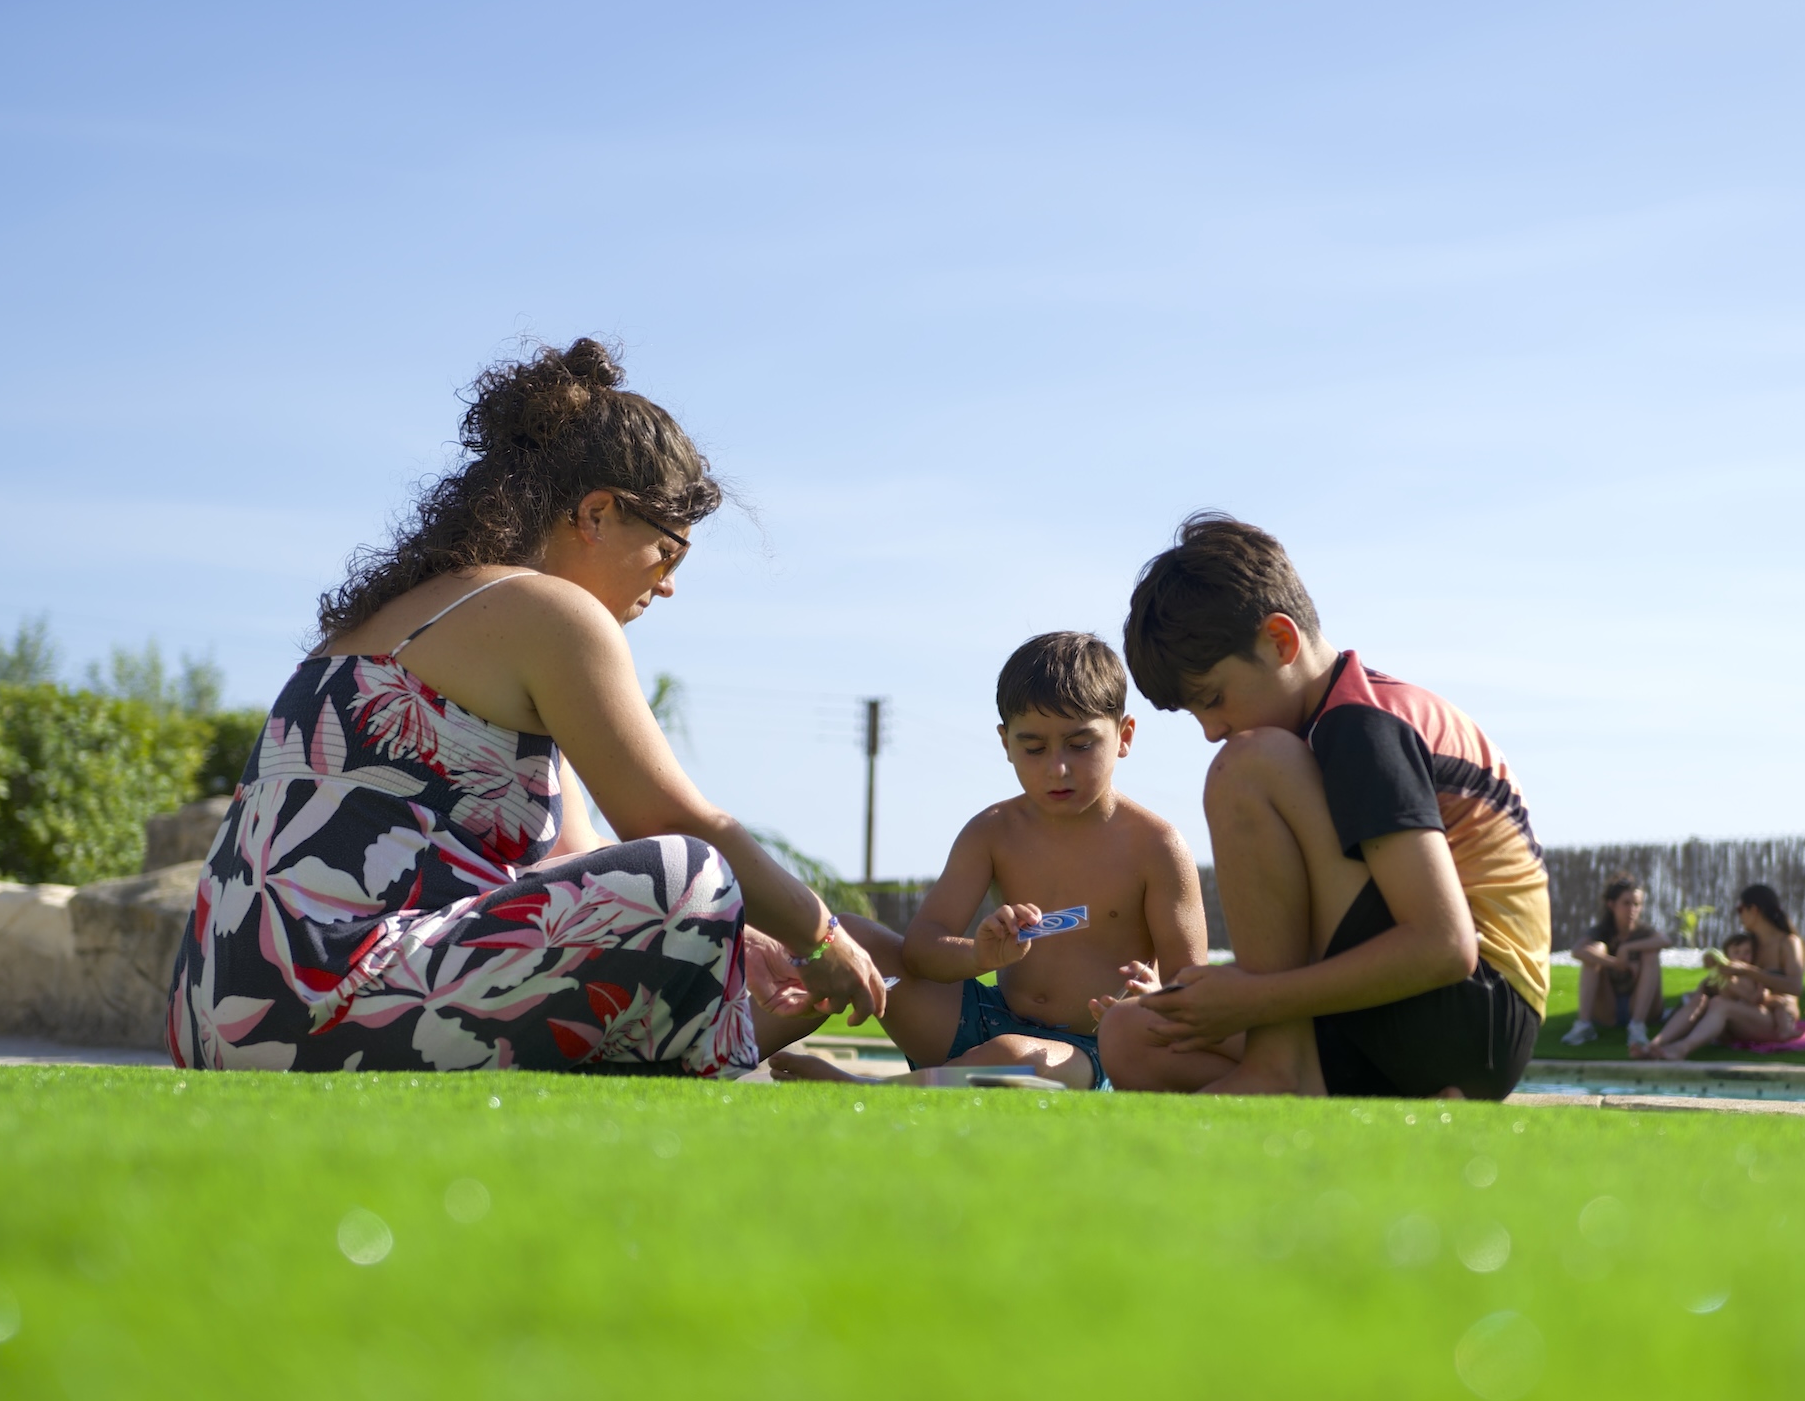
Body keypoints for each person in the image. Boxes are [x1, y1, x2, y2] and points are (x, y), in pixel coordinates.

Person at [167, 338, 883, 1075]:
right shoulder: (554, 614)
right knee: (691, 874)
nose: (667, 585)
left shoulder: (413, 612)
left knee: (694, 898)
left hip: (216, 1012)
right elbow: (672, 824)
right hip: (319, 997)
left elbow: (585, 859)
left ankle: (758, 1058)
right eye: (669, 552)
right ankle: (753, 1068)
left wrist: (741, 938)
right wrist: (823, 936)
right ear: (597, 512)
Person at [1097, 515, 1550, 1101]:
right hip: (1408, 1019)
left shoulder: (1359, 726)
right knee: (1134, 1034)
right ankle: (1337, 1090)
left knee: (1246, 766)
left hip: (1471, 1023)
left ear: (1280, 642)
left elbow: (1445, 947)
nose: (1211, 731)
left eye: (1213, 700)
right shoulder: (1327, 730)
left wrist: (1254, 997)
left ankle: (1280, 1070)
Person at [772, 632, 1206, 1090]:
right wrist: (979, 954)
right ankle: (724, 1051)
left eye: (1080, 745)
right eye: (1034, 748)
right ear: (1005, 743)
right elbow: (920, 952)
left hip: (1093, 1049)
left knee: (1014, 1057)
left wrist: (1149, 1005)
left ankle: (871, 1091)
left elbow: (1193, 989)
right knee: (848, 936)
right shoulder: (993, 831)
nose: (1057, 768)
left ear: (1124, 735)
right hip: (983, 1020)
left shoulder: (1157, 846)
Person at [1635, 930, 1798, 1059]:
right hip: (1727, 1026)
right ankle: (1654, 1045)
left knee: (1719, 1003)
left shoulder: (1752, 975)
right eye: (1737, 952)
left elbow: (1760, 999)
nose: (1742, 956)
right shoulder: (1722, 975)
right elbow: (1703, 989)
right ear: (1727, 955)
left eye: (1747, 952)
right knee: (1699, 999)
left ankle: (1682, 1048)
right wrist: (1709, 984)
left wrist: (1734, 985)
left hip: (1754, 1020)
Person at [1562, 874, 1669, 1051]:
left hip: (1642, 1007)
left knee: (1651, 953)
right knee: (1595, 950)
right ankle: (1583, 1025)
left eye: (1637, 904)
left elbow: (1665, 941)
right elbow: (1577, 950)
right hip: (1608, 1008)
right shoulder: (1602, 930)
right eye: (1626, 903)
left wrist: (1626, 948)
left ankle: (1637, 1027)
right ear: (1612, 905)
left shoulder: (1643, 931)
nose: (1632, 910)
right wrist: (1616, 963)